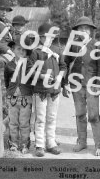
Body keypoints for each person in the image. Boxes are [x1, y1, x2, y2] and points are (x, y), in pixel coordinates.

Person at [63, 16, 100, 156]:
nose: (84, 31)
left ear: (91, 31)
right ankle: (82, 142)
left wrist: (99, 83)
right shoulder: (71, 45)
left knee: (93, 115)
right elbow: (65, 64)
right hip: (76, 85)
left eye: (86, 28)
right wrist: (64, 83)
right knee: (80, 114)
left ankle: (99, 145)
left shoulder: (97, 45)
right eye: (81, 28)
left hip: (92, 85)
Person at [30, 23, 66, 157]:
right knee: (40, 118)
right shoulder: (35, 52)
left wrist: (59, 78)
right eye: (46, 37)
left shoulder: (57, 50)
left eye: (51, 36)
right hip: (40, 90)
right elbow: (30, 70)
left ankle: (51, 143)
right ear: (40, 37)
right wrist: (42, 75)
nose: (49, 39)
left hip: (55, 90)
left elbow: (63, 66)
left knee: (52, 117)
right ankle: (39, 145)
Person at [4, 37, 34, 154]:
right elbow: (7, 81)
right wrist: (10, 93)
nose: (21, 52)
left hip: (26, 98)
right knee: (13, 122)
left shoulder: (29, 65)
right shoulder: (9, 65)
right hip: (12, 98)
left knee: (24, 122)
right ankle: (13, 143)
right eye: (18, 49)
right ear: (13, 49)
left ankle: (25, 144)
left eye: (24, 50)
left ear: (27, 52)